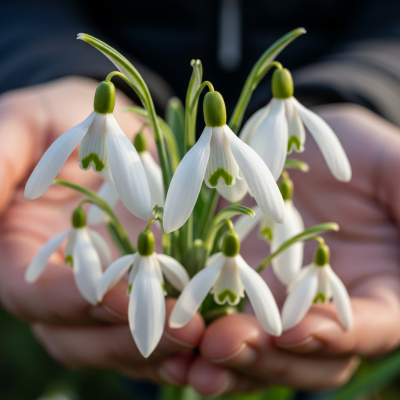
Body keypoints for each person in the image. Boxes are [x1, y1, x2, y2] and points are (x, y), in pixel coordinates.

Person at [1, 0, 400, 397]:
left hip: (322, 91)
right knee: (151, 342)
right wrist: (48, 74)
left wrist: (373, 91)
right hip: (150, 273)